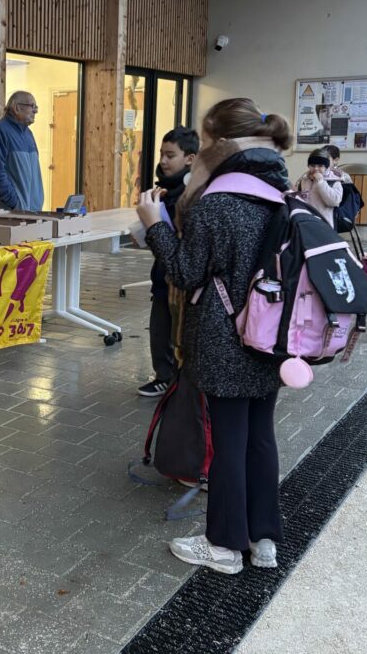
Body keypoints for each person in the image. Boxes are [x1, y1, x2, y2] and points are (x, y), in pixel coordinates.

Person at [137, 97, 289, 575]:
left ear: (219, 145)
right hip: (271, 337)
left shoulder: (217, 203)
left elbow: (184, 272)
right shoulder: (281, 194)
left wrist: (153, 226)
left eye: (204, 143)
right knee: (260, 439)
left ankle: (223, 545)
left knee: (228, 442)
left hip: (224, 340)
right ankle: (263, 540)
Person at [137, 126, 198, 399]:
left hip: (180, 278)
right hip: (162, 275)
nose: (162, 160)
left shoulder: (192, 195)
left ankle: (177, 380)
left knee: (177, 331)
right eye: (162, 154)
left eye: (170, 155)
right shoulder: (162, 191)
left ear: (190, 158)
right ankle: (164, 375)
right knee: (159, 330)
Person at [0, 91, 45, 212]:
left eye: (36, 107)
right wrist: (14, 203)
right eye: (32, 106)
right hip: (12, 214)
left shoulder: (29, 134)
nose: (35, 111)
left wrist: (37, 202)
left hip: (33, 213)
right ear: (17, 108)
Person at [294, 151, 342, 227]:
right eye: (312, 165)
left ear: (326, 167)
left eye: (320, 166)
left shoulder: (334, 181)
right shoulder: (304, 180)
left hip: (325, 223)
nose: (316, 168)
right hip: (307, 222)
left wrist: (321, 182)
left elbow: (334, 202)